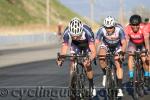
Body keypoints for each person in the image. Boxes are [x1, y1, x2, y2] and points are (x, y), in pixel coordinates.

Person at [56, 17, 96, 96]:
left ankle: (91, 84)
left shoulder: (87, 31)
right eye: (73, 36)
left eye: (77, 36)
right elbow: (64, 48)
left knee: (87, 64)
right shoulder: (67, 32)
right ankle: (73, 78)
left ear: (81, 31)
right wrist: (61, 59)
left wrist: (90, 59)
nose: (75, 38)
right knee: (72, 58)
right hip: (75, 45)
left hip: (87, 45)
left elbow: (94, 52)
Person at [95, 16, 126, 97]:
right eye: (107, 27)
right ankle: (105, 74)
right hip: (106, 45)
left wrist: (122, 52)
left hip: (117, 46)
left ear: (114, 26)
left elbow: (124, 42)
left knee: (118, 64)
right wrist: (94, 53)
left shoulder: (119, 29)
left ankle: (119, 88)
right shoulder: (102, 30)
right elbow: (97, 42)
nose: (108, 29)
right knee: (101, 57)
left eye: (110, 27)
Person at [125, 14, 150, 86]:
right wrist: (124, 51)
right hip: (132, 43)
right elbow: (126, 41)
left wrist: (147, 51)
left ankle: (147, 76)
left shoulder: (144, 28)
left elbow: (146, 40)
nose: (135, 27)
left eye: (137, 25)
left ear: (140, 24)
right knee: (130, 56)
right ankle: (131, 76)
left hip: (142, 43)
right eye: (133, 25)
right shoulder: (127, 28)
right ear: (130, 24)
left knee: (144, 59)